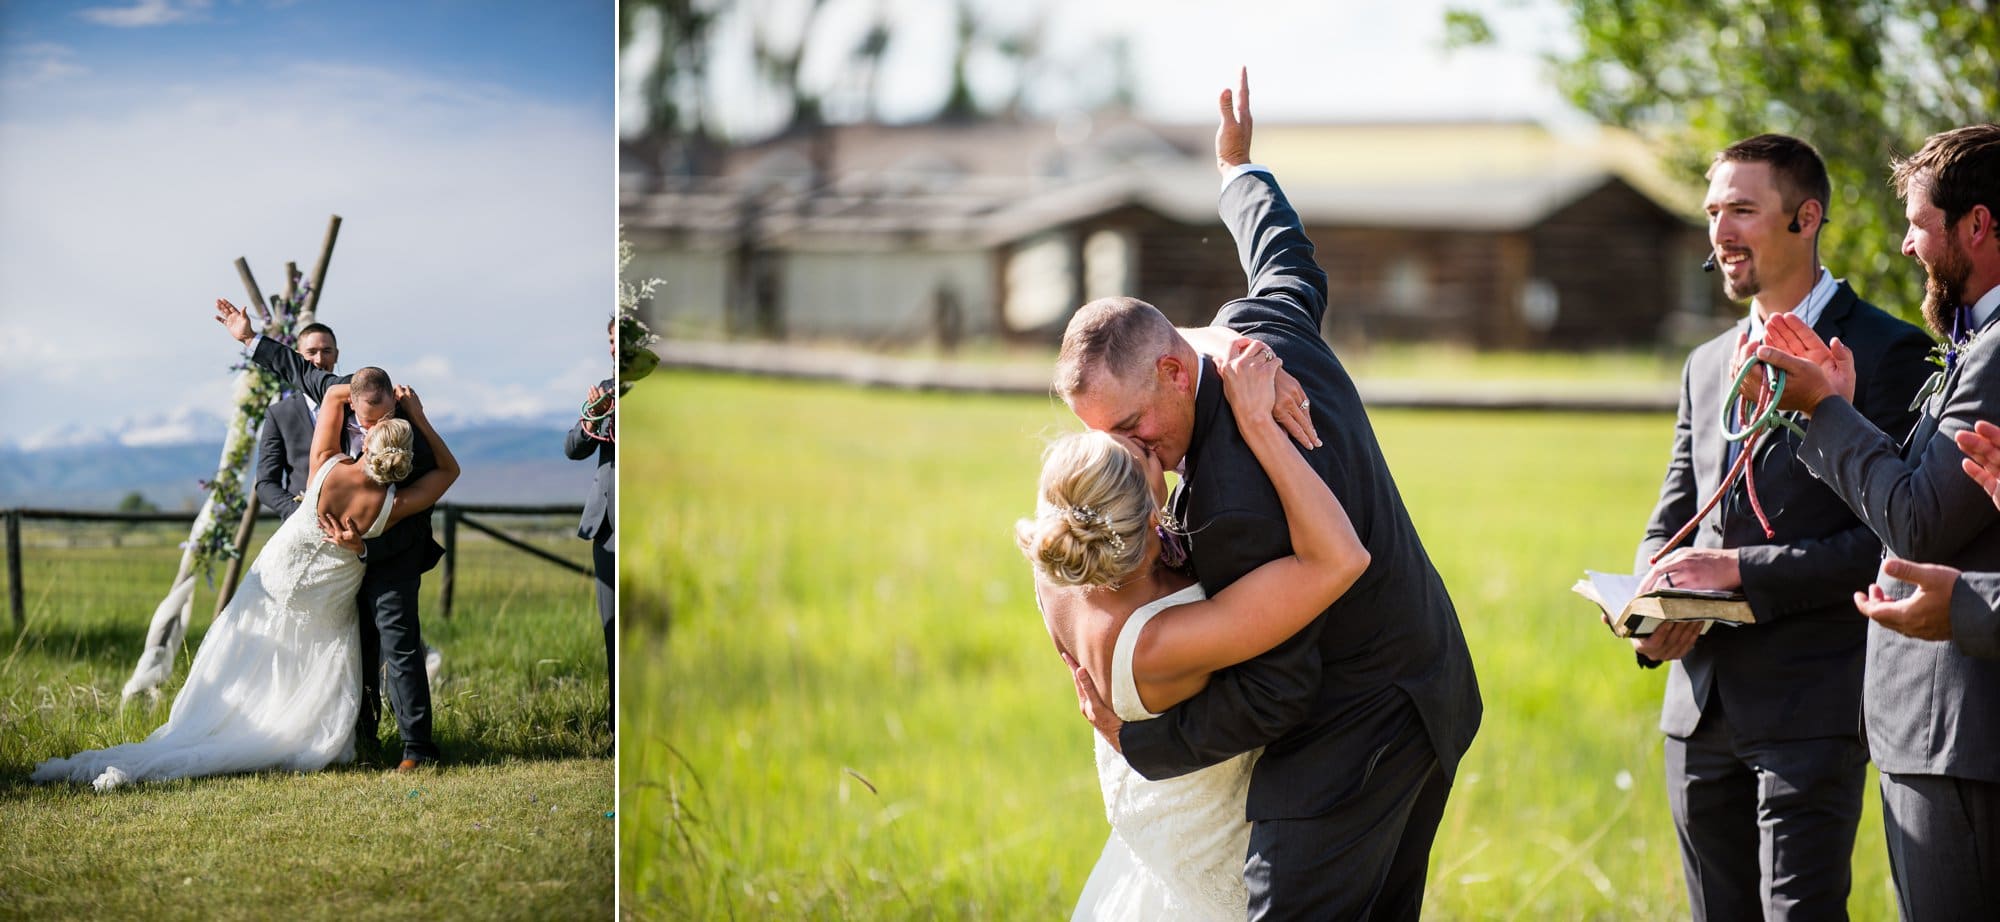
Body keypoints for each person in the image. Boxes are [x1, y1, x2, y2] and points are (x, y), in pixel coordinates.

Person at [1054, 69, 1481, 919]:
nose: (1135, 459)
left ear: (1176, 370)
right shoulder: (1264, 333)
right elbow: (1286, 260)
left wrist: (1144, 739)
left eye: (1136, 429)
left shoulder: (1230, 505)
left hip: (1356, 729)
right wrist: (1237, 171)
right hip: (1430, 682)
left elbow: (1280, 691)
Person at [1627, 134, 1933, 919]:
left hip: (1814, 705)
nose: (1719, 232)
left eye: (1741, 210)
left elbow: (1891, 540)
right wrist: (1646, 604)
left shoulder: (1892, 352)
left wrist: (1739, 574)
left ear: (1805, 218)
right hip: (1697, 712)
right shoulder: (1705, 363)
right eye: (1712, 212)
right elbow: (1673, 517)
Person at [1024, 336, 1368, 920]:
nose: (1146, 444)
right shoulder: (1160, 640)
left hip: (1149, 807)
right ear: (1154, 524)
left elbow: (1135, 339)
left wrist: (1251, 360)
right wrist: (1257, 422)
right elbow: (1340, 560)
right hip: (1202, 834)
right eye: (1144, 455)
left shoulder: (1058, 556)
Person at [1751, 123, 2000, 920]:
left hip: (1960, 731)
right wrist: (1848, 411)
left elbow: (1919, 523)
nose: (1904, 246)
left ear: (1977, 226)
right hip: (1942, 735)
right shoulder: (1976, 344)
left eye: (1918, 224)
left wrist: (1822, 411)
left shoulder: (1996, 352)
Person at [33, 382, 459, 789]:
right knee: (308, 659)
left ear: (366, 444)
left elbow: (332, 394)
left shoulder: (326, 466)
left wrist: (370, 394)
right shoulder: (393, 506)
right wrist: (416, 415)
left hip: (279, 573)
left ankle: (234, 722)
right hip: (328, 593)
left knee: (254, 648)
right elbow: (448, 469)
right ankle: (284, 729)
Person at [215, 298, 448, 772]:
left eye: (380, 417)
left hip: (394, 543)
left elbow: (436, 480)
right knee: (354, 648)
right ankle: (361, 742)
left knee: (399, 644)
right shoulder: (339, 394)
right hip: (336, 556)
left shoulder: (406, 419)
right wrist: (248, 337)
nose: (371, 426)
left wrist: (370, 540)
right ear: (348, 397)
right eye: (364, 417)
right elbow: (297, 369)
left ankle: (417, 749)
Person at [565, 320, 615, 716]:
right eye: (611, 342)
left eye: (622, 342)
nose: (615, 349)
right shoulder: (606, 390)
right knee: (612, 630)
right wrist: (594, 418)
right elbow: (573, 448)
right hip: (609, 527)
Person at [255, 322, 340, 520]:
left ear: (336, 355)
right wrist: (299, 514)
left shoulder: (356, 405)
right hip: (301, 525)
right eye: (312, 352)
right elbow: (266, 483)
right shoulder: (279, 414)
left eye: (326, 351)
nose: (319, 359)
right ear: (298, 356)